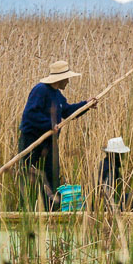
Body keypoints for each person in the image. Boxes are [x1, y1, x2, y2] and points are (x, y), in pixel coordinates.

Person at [19, 60, 95, 210]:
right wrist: (50, 124)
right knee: (29, 175)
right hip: (32, 140)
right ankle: (26, 209)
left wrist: (86, 105)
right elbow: (30, 114)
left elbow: (67, 111)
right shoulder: (40, 90)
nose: (68, 81)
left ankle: (50, 209)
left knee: (52, 175)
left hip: (49, 142)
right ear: (59, 79)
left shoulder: (57, 95)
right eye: (66, 78)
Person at [99, 137, 133, 210]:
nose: (122, 159)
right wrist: (114, 207)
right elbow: (106, 192)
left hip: (103, 202)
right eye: (121, 155)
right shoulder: (111, 170)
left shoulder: (104, 163)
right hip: (105, 206)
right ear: (116, 156)